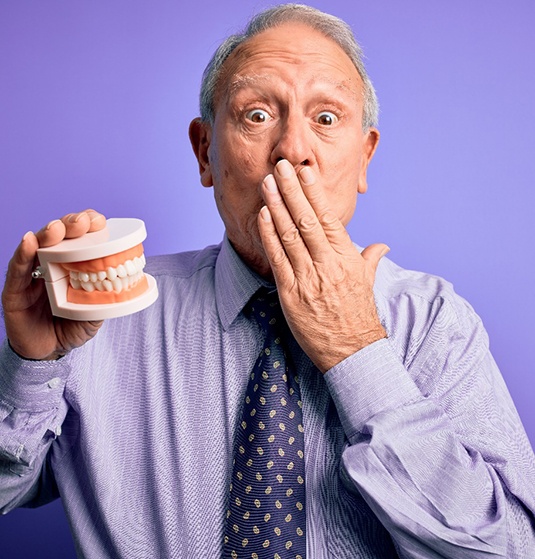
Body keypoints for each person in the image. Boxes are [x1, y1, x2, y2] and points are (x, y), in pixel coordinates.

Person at [1, 3, 534, 558]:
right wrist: (28, 366)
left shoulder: (433, 324)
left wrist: (358, 353)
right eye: (256, 115)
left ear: (364, 160)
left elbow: (510, 549)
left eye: (326, 118)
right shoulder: (103, 317)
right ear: (206, 152)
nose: (293, 150)